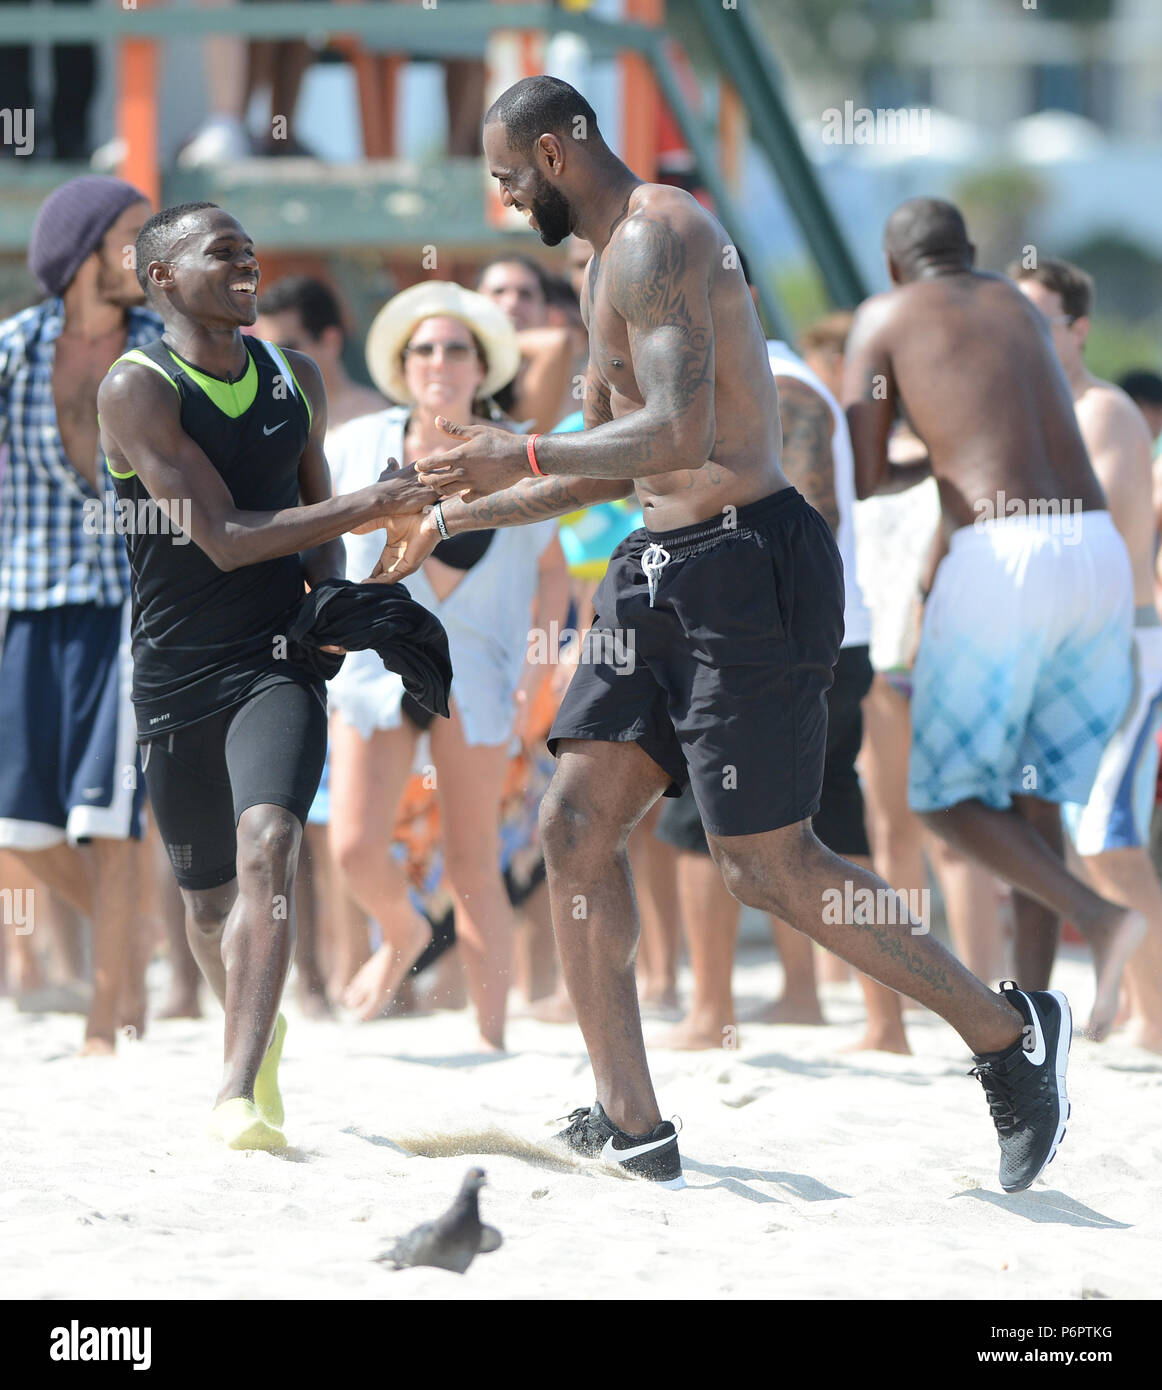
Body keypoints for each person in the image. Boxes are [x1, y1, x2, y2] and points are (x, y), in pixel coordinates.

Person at [367, 80, 1070, 1195]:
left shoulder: (659, 237)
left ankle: (1007, 1033)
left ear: (554, 151)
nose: (503, 198)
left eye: (507, 176)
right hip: (650, 572)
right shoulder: (601, 265)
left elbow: (680, 432)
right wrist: (450, 515)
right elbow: (613, 461)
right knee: (573, 823)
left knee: (767, 864)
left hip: (747, 566)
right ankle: (631, 1119)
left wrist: (522, 451)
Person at [96, 200, 437, 1149]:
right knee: (208, 905)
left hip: (276, 660)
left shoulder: (297, 375)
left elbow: (310, 502)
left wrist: (329, 607)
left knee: (274, 841)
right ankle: (260, 1022)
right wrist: (374, 505)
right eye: (223, 253)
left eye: (251, 251)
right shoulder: (137, 388)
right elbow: (221, 538)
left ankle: (236, 1090)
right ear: (162, 276)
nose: (247, 264)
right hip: (173, 672)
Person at [844, 197, 1143, 1047]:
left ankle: (1100, 914)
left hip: (1002, 554)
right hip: (1093, 554)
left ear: (895, 266)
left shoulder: (886, 314)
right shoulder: (1014, 304)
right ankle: (1035, 1010)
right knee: (1036, 793)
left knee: (943, 803)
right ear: (970, 254)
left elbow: (866, 471)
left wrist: (932, 453)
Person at [326, 280, 568, 1050]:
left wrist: (539, 659)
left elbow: (555, 568)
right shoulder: (357, 446)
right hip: (373, 669)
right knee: (354, 847)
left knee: (474, 862)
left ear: (482, 362)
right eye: (422, 347)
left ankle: (492, 1040)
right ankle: (401, 933)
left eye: (456, 346)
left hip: (481, 675)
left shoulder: (517, 450)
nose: (438, 360)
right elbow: (315, 544)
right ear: (401, 364)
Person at [0, 176, 156, 1054]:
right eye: (133, 237)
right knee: (16, 825)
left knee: (108, 816)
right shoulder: (16, 349)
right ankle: (129, 953)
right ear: (84, 249)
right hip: (25, 601)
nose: (148, 255)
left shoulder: (164, 352)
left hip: (128, 605)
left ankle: (111, 1017)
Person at [1014, 258, 1162, 1052]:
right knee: (1094, 839)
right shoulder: (1044, 411)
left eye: (1040, 320)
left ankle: (1158, 1014)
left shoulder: (1102, 410)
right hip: (1072, 653)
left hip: (1121, 646)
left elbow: (1082, 524)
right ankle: (1147, 1014)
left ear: (1078, 329)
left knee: (1109, 836)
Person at [254, 275, 386, 430]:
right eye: (265, 351)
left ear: (331, 342)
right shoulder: (265, 423)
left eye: (285, 348)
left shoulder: (381, 420)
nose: (273, 361)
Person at [476, 255, 576, 430]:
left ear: (546, 310)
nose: (512, 302)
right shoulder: (447, 355)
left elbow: (557, 344)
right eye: (499, 291)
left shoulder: (574, 377)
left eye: (525, 294)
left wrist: (485, 342)